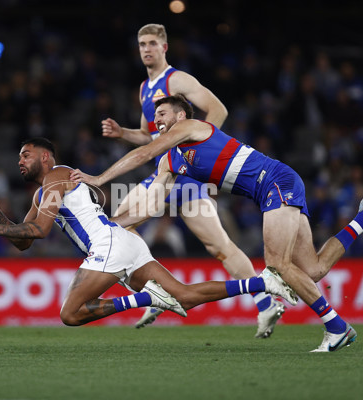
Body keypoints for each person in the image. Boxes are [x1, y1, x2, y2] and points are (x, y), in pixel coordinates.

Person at [70, 95, 363, 352]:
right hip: (274, 188)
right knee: (313, 269)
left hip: (275, 181)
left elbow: (143, 152)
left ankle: (337, 328)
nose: (157, 120)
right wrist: (111, 223)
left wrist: (99, 178)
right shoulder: (171, 161)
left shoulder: (192, 127)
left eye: (163, 114)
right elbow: (151, 205)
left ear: (181, 114)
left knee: (277, 266)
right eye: (154, 116)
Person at [0, 138, 298, 327]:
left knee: (70, 313)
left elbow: (39, 230)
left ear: (44, 156)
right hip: (122, 241)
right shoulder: (41, 194)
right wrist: (0, 217)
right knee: (184, 296)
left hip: (108, 244)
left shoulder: (57, 175)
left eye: (25, 155)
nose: (19, 162)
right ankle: (264, 282)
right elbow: (25, 241)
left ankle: (145, 298)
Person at [101, 23, 283, 337]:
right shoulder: (146, 89)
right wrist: (123, 134)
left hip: (182, 173)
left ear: (164, 47)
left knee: (120, 224)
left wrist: (197, 154)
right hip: (171, 172)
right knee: (217, 245)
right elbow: (149, 137)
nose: (146, 49)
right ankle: (263, 304)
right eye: (142, 43)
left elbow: (218, 109)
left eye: (152, 43)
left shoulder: (177, 79)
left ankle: (158, 291)